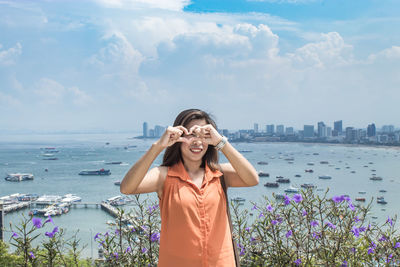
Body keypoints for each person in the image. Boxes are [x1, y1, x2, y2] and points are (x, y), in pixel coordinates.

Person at [120, 109, 259, 267]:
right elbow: (127, 188)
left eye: (203, 135)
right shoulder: (163, 175)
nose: (197, 141)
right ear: (178, 137)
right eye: (191, 134)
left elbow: (252, 179)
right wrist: (158, 146)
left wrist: (221, 142)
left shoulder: (220, 174)